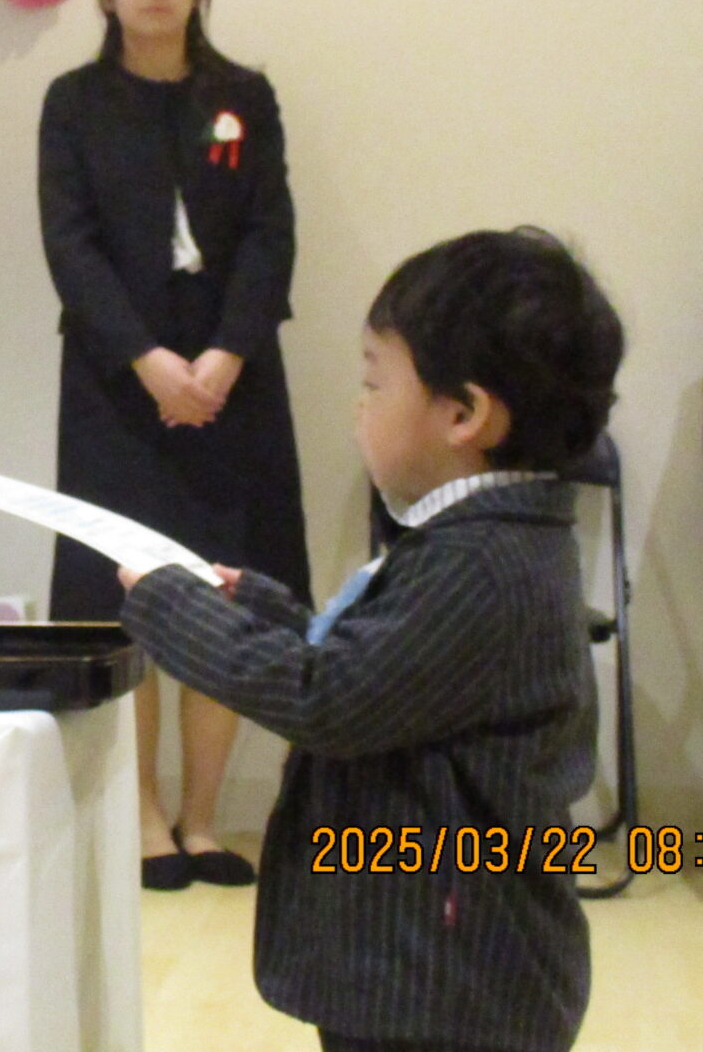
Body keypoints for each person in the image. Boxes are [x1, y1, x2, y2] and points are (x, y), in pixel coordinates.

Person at [120, 228, 621, 1052]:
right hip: (428, 959)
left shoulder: (480, 562)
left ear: (463, 414)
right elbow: (376, 665)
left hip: (444, 978)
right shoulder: (487, 538)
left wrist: (170, 606)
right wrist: (258, 605)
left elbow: (328, 698)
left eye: (373, 382)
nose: (359, 406)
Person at [38, 0, 309, 889]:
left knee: (225, 591)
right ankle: (143, 814)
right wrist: (149, 362)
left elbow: (271, 234)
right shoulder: (74, 102)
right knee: (130, 592)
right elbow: (71, 245)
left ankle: (204, 818)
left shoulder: (245, 95)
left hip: (235, 382)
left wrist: (226, 356)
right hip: (118, 388)